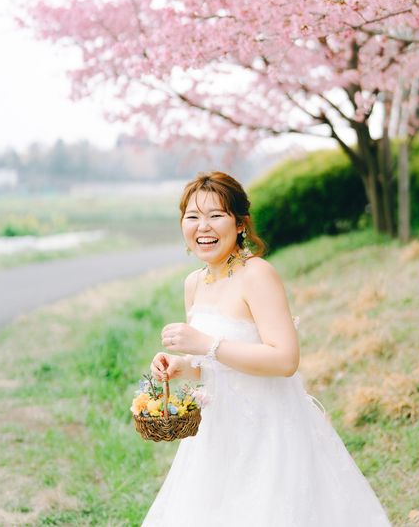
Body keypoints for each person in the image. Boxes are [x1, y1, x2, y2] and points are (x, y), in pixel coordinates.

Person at [142, 171, 391, 526]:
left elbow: (285, 359)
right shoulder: (194, 283)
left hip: (269, 429)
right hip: (217, 432)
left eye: (216, 215)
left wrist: (206, 344)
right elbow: (213, 364)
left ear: (240, 223)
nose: (203, 227)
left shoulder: (257, 274)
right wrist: (182, 364)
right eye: (192, 216)